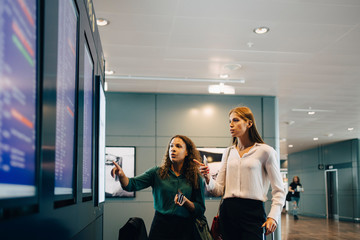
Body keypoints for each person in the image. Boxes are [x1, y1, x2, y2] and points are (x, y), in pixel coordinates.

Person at [195, 106, 285, 240]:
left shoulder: (266, 151)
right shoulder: (229, 152)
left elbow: (279, 190)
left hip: (253, 211)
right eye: (230, 121)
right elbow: (218, 190)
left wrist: (273, 216)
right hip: (228, 211)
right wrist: (208, 178)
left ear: (249, 123)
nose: (231, 125)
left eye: (236, 120)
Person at [111, 135, 205, 240]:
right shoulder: (157, 173)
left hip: (185, 228)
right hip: (161, 226)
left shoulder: (196, 177)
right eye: (171, 146)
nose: (173, 149)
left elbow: (200, 209)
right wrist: (121, 175)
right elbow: (130, 185)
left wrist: (186, 202)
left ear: (187, 152)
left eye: (178, 146)